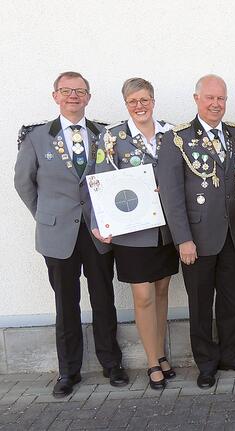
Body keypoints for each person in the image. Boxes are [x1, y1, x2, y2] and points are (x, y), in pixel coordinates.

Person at [14, 71, 129, 398]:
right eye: (66, 91)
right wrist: (45, 216)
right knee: (66, 304)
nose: (73, 96)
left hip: (97, 231)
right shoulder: (36, 137)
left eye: (80, 91)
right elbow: (24, 183)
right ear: (56, 96)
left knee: (104, 299)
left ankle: (112, 364)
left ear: (88, 97)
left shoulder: (104, 134)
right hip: (57, 234)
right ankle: (69, 371)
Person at [157, 74, 235, 389]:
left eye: (221, 99)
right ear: (197, 99)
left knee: (233, 300)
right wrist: (182, 239)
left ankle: (231, 355)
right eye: (210, 98)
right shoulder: (177, 139)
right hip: (197, 239)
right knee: (201, 304)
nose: (216, 104)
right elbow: (171, 197)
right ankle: (206, 363)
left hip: (232, 233)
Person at [91, 78, 178, 389]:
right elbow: (99, 181)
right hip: (132, 231)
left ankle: (162, 352)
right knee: (142, 296)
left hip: (165, 230)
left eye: (145, 100)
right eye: (133, 102)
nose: (140, 106)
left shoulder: (171, 133)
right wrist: (98, 223)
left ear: (153, 101)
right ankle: (152, 361)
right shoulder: (112, 137)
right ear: (125, 104)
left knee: (162, 291)